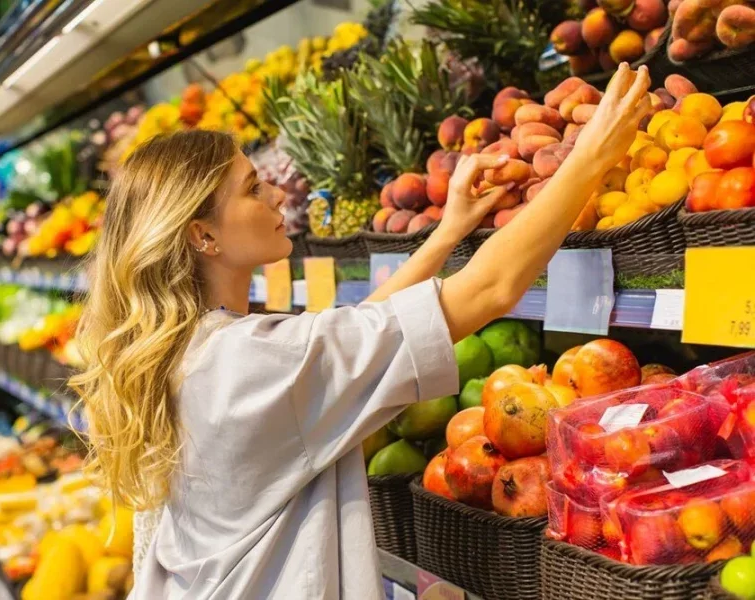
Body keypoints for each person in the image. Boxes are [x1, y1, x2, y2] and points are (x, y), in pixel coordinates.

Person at [71, 63, 651, 599]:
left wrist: (447, 233)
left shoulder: (195, 354)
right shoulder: (248, 363)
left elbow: (356, 335)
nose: (276, 194)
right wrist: (590, 157)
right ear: (202, 235)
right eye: (252, 188)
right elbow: (488, 291)